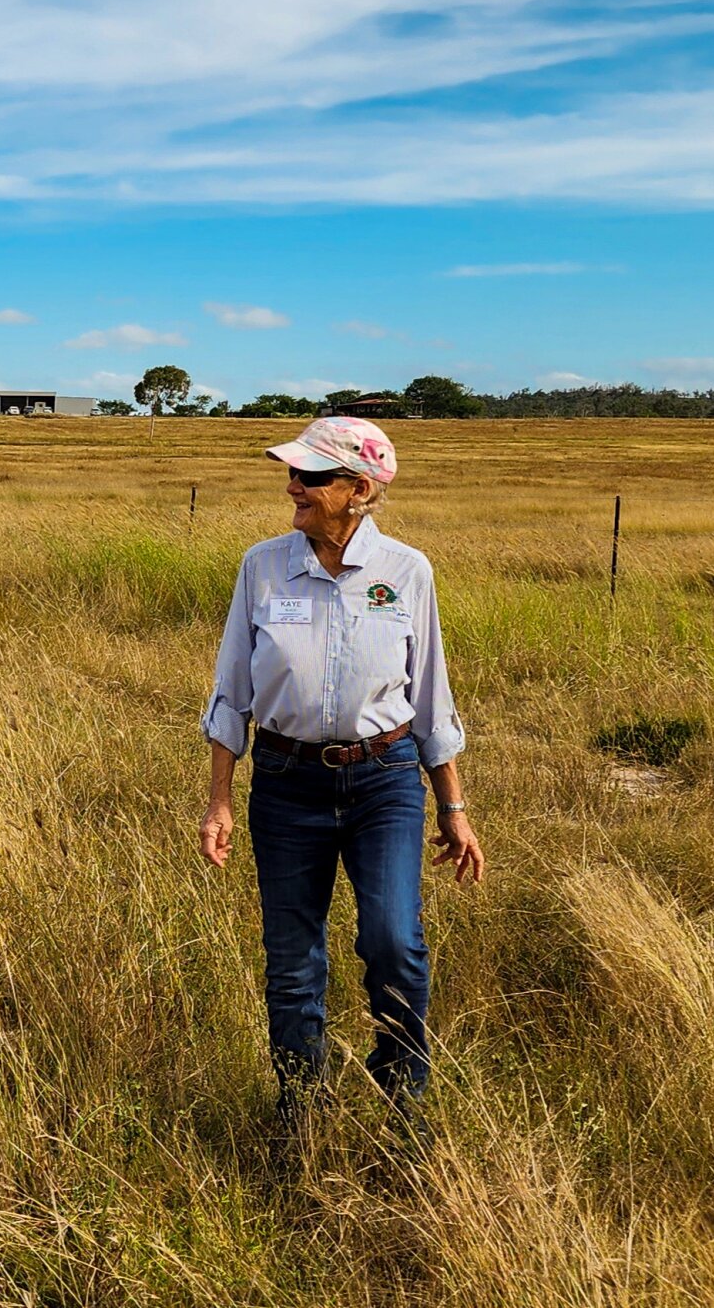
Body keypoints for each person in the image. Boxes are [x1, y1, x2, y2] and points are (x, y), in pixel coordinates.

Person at [198, 415, 482, 1139]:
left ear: (360, 489)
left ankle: (403, 1107)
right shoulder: (261, 567)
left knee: (393, 941)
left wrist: (452, 805)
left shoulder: (407, 572)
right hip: (286, 783)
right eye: (292, 473)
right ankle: (301, 1113)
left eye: (313, 477)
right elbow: (232, 689)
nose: (294, 487)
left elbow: (429, 696)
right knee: (293, 961)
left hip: (382, 781)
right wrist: (220, 799)